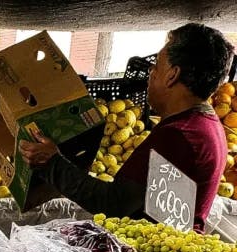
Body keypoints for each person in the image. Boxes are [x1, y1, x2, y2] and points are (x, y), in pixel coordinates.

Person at [20, 24, 234, 233]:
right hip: (162, 247)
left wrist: (52, 164)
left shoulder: (179, 136)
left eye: (157, 65)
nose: (151, 72)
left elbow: (113, 204)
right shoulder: (205, 124)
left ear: (172, 75)